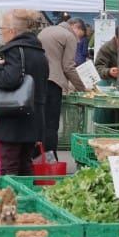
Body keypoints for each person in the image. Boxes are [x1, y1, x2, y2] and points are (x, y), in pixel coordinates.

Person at [0, 9, 49, 175]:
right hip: (33, 116)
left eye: (2, 28)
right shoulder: (39, 51)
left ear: (12, 31)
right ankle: (28, 198)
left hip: (14, 117)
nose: (1, 32)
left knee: (10, 165)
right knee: (25, 163)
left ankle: (11, 200)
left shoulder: (15, 50)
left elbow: (9, 80)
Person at [38, 16, 86, 157]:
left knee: (40, 123)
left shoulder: (46, 31)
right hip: (53, 83)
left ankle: (37, 158)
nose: (78, 40)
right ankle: (50, 158)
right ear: (75, 27)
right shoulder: (69, 36)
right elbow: (68, 67)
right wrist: (82, 87)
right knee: (52, 125)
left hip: (38, 81)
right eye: (80, 36)